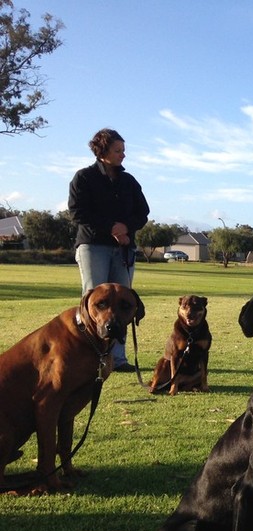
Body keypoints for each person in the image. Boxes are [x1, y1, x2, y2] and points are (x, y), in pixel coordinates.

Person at [68, 128, 150, 371]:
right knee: (93, 300)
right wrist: (111, 228)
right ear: (102, 151)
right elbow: (77, 212)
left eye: (123, 150)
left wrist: (126, 227)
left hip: (123, 250)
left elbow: (142, 213)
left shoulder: (129, 181)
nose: (123, 155)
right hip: (93, 247)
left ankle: (118, 359)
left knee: (123, 301)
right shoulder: (83, 178)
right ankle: (90, 356)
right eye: (118, 150)